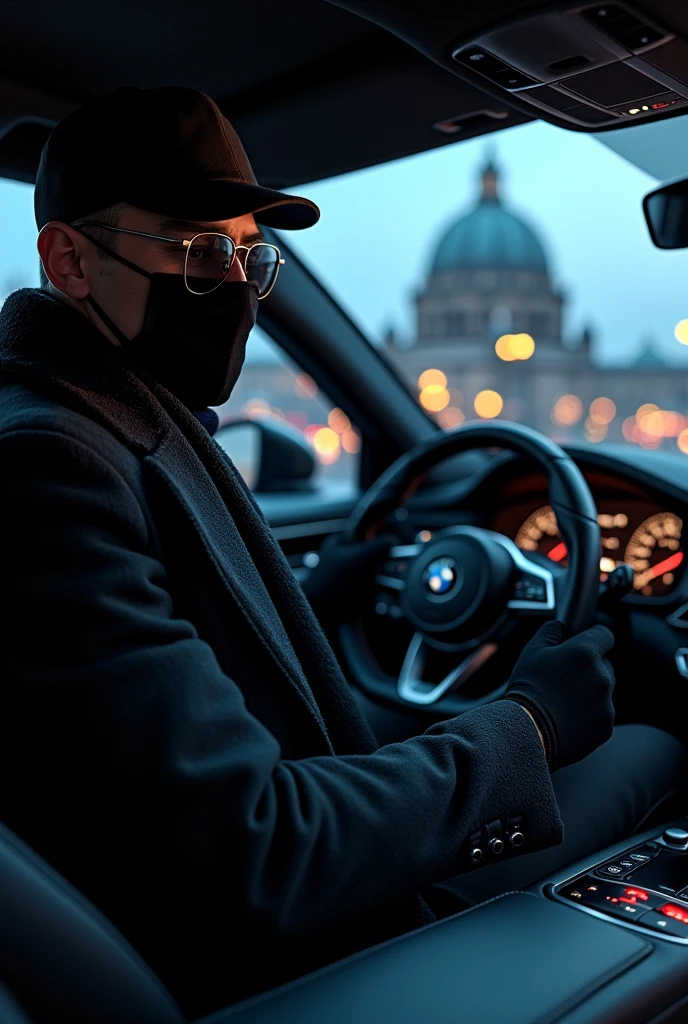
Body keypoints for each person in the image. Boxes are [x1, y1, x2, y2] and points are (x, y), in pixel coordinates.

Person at [0, 85, 683, 1020]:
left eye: (249, 254)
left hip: (239, 916)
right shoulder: (50, 465)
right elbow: (262, 847)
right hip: (322, 955)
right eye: (201, 252)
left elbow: (162, 695)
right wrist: (533, 724)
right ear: (67, 259)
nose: (234, 285)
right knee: (657, 745)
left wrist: (316, 598)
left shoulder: (112, 420)